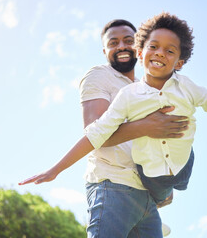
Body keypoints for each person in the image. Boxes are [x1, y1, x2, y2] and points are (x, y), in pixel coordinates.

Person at [20, 13, 207, 236]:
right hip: (124, 182)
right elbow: (96, 133)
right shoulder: (120, 90)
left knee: (182, 154)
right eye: (154, 47)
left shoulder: (185, 86)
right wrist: (55, 169)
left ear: (180, 62)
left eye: (170, 50)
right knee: (157, 172)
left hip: (158, 181)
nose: (160, 52)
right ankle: (161, 196)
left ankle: (162, 194)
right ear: (141, 51)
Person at [19, 19, 189, 238]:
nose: (121, 46)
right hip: (113, 185)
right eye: (113, 42)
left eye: (128, 41)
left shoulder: (144, 86)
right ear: (105, 50)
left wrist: (163, 180)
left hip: (146, 195)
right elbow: (95, 132)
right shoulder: (100, 75)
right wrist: (147, 126)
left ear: (139, 47)